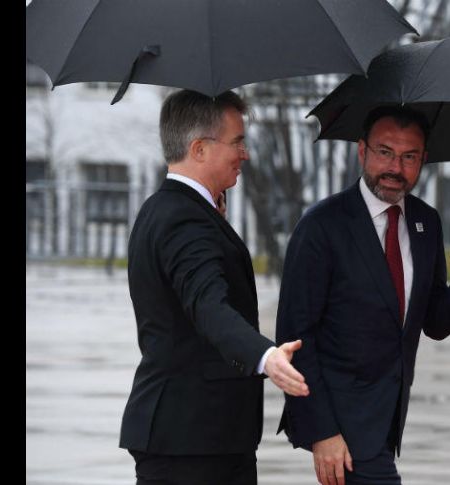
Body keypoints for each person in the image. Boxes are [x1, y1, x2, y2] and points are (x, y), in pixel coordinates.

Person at [276, 106, 450, 485]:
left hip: (388, 418)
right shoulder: (322, 226)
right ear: (362, 151)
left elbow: (434, 322)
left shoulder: (426, 223)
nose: (396, 167)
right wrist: (321, 430)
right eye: (385, 152)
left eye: (409, 157)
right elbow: (295, 337)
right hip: (341, 423)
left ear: (423, 160)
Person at [119, 89, 309, 485]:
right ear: (199, 148)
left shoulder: (170, 209)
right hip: (193, 443)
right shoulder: (184, 222)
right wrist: (265, 356)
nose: (246, 154)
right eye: (237, 142)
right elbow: (209, 306)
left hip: (196, 435)